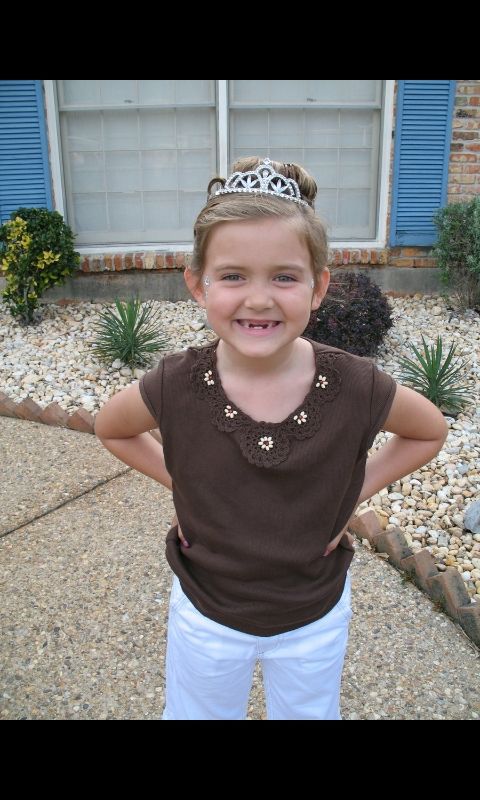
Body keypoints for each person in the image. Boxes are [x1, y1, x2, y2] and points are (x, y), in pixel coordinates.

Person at [95, 157, 448, 720]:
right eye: (233, 276)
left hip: (313, 615)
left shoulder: (354, 384)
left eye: (284, 276)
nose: (259, 298)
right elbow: (110, 426)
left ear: (318, 287)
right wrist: (182, 483)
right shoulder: (177, 383)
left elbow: (429, 430)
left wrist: (348, 498)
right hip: (207, 613)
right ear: (197, 285)